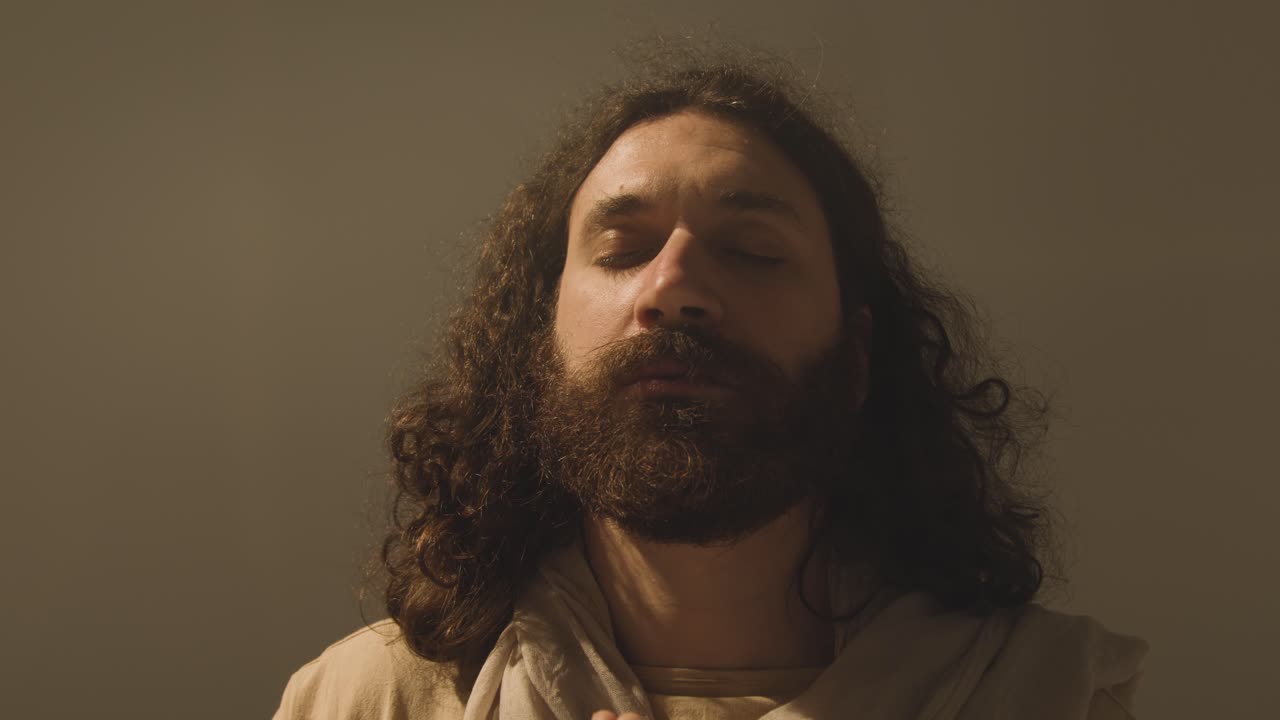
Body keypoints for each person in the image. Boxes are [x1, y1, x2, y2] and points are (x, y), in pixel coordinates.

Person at [272, 49, 1148, 720]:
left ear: (857, 357)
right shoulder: (370, 698)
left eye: (753, 252)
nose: (676, 287)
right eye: (623, 249)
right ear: (537, 348)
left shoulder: (1050, 694)